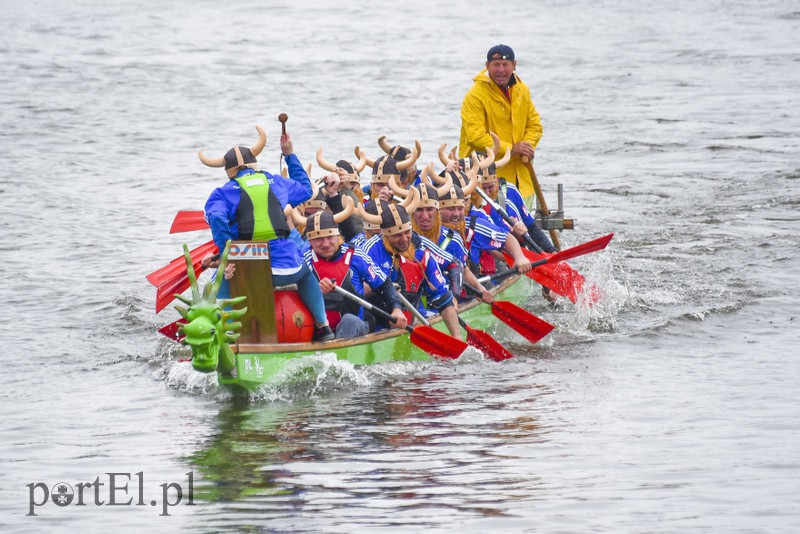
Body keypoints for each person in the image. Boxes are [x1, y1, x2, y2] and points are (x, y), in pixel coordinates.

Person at [199, 125, 335, 342]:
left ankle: (224, 335)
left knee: (225, 277)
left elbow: (216, 218)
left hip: (249, 267)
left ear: (229, 172)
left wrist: (228, 251)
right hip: (288, 267)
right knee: (307, 275)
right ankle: (323, 327)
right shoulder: (277, 181)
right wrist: (289, 154)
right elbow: (307, 189)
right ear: (254, 165)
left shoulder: (221, 193)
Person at [296, 198, 408, 338]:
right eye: (319, 239)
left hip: (354, 326)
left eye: (330, 237)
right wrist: (313, 289)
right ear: (310, 241)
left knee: (349, 321)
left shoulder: (356, 256)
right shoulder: (304, 260)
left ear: (337, 236)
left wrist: (396, 309)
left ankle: (336, 353)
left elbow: (384, 284)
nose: (325, 244)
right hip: (318, 330)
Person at [360, 190, 462, 338]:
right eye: (397, 235)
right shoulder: (370, 251)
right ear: (385, 235)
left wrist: (456, 337)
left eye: (407, 232)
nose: (404, 239)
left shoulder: (421, 253)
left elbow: (443, 298)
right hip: (377, 322)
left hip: (413, 319)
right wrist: (381, 286)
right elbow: (354, 290)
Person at [459, 44, 543, 198]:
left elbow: (535, 126)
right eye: (496, 65)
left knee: (524, 220)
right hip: (484, 179)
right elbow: (475, 136)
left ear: (514, 65)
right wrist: (512, 149)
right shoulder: (474, 95)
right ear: (487, 66)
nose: (501, 70)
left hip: (522, 178)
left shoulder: (522, 89)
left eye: (505, 65)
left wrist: (526, 147)